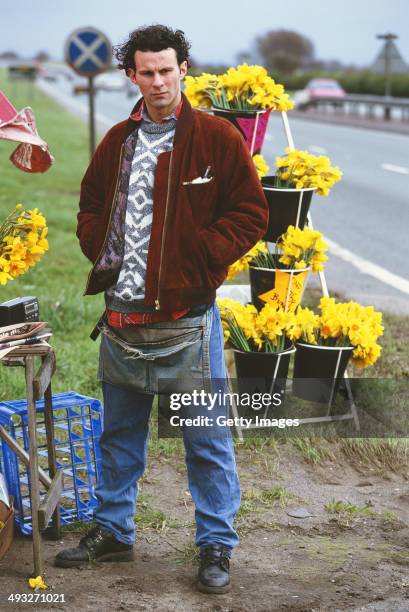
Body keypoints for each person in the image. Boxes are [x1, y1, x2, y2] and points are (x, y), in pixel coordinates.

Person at [55, 25, 268, 594]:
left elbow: (250, 214)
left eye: (166, 70)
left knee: (206, 444)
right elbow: (90, 204)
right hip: (123, 320)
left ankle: (216, 544)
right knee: (119, 438)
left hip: (187, 320)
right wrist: (100, 245)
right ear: (132, 76)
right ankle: (114, 533)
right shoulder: (118, 141)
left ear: (184, 70)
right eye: (146, 72)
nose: (157, 81)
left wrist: (199, 258)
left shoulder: (218, 139)